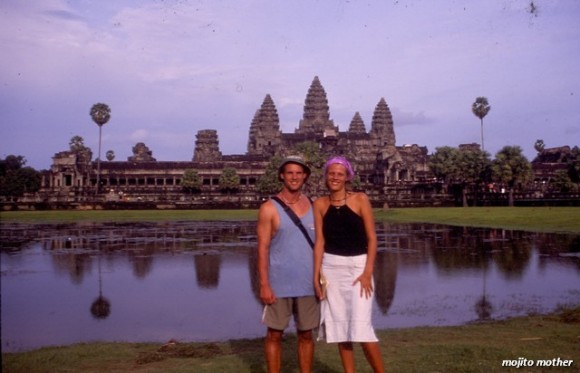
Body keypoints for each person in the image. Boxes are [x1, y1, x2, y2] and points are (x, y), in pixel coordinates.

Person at [313, 156, 384, 373]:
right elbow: (320, 242)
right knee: (340, 328)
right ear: (326, 176)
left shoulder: (360, 199)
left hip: (358, 267)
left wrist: (367, 272)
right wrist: (316, 276)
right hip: (331, 267)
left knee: (362, 328)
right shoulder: (320, 204)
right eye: (331, 173)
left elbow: (372, 238)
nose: (335, 177)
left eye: (340, 174)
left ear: (347, 177)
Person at [257, 155, 320, 373]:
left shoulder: (315, 206)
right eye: (290, 173)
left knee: (306, 334)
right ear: (282, 176)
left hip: (308, 282)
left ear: (305, 177)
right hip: (279, 283)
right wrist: (264, 284)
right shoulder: (269, 208)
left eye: (299, 173)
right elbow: (262, 249)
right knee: (275, 334)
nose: (294, 177)